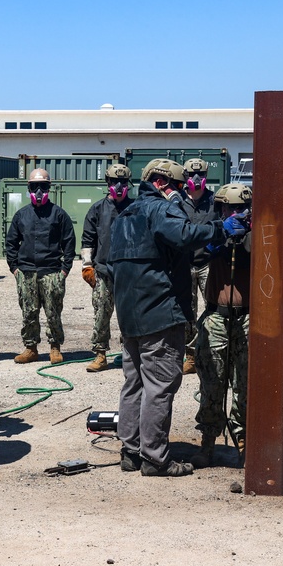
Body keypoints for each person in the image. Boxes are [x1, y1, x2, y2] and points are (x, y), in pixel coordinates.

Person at [109, 160, 240, 477]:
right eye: (179, 187)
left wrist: (206, 245)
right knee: (160, 386)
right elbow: (181, 234)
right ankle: (155, 458)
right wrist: (221, 229)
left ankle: (131, 451)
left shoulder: (125, 215)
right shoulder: (158, 208)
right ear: (161, 183)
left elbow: (160, 250)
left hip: (130, 316)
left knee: (135, 384)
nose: (182, 194)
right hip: (159, 314)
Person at [191, 183, 253, 468]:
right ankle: (208, 442)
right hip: (217, 316)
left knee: (245, 384)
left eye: (241, 209)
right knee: (212, 382)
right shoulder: (213, 230)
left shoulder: (257, 235)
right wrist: (222, 236)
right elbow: (196, 255)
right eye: (231, 208)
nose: (236, 213)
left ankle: (243, 441)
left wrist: (248, 236)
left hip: (247, 317)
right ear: (222, 209)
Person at [5, 168, 76, 365]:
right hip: (26, 272)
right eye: (34, 187)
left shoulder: (59, 215)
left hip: (52, 272)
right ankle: (31, 348)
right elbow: (11, 243)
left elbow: (69, 242)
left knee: (53, 312)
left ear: (49, 188)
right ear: (29, 188)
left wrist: (64, 270)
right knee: (29, 312)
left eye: (42, 187)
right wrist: (14, 268)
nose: (38, 191)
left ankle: (55, 348)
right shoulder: (21, 216)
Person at [80, 163, 134, 372]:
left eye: (122, 182)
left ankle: (128, 354)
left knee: (127, 315)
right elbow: (87, 240)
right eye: (114, 182)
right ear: (108, 183)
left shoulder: (135, 208)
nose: (119, 186)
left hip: (128, 273)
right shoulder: (97, 209)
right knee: (102, 314)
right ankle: (100, 354)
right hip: (103, 271)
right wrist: (87, 266)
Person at [181, 158, 216, 375]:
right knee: (187, 312)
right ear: (184, 177)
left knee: (213, 308)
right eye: (192, 175)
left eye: (201, 175)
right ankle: (191, 356)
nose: (196, 179)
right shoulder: (176, 202)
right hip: (184, 264)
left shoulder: (215, 201)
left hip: (207, 263)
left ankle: (212, 351)